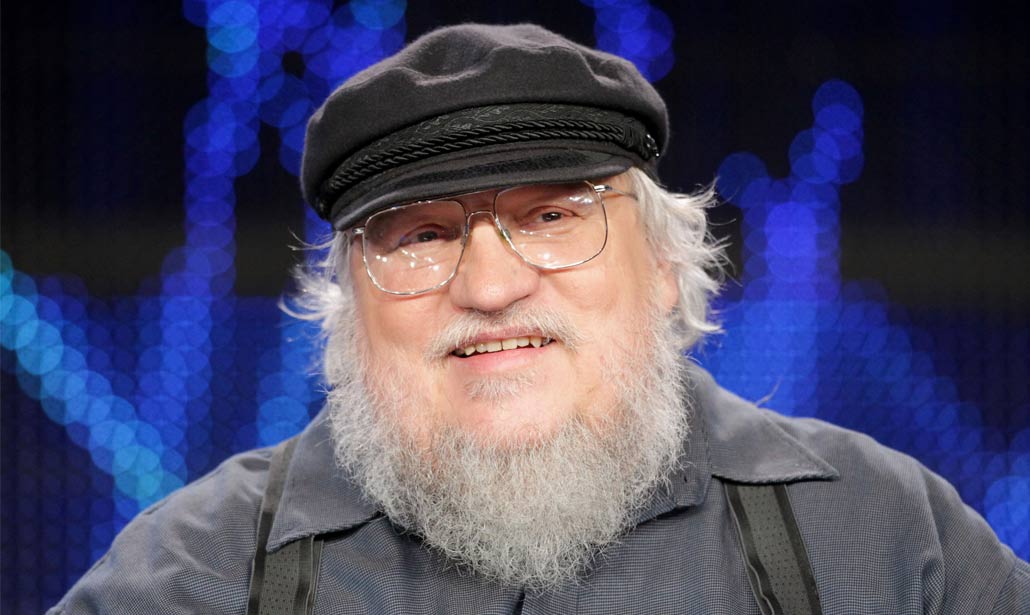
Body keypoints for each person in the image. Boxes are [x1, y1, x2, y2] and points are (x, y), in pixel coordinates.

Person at [49, 23, 1027, 615]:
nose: (488, 285)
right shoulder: (193, 574)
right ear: (347, 308)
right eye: (421, 235)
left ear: (663, 267)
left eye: (552, 217)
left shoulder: (889, 538)